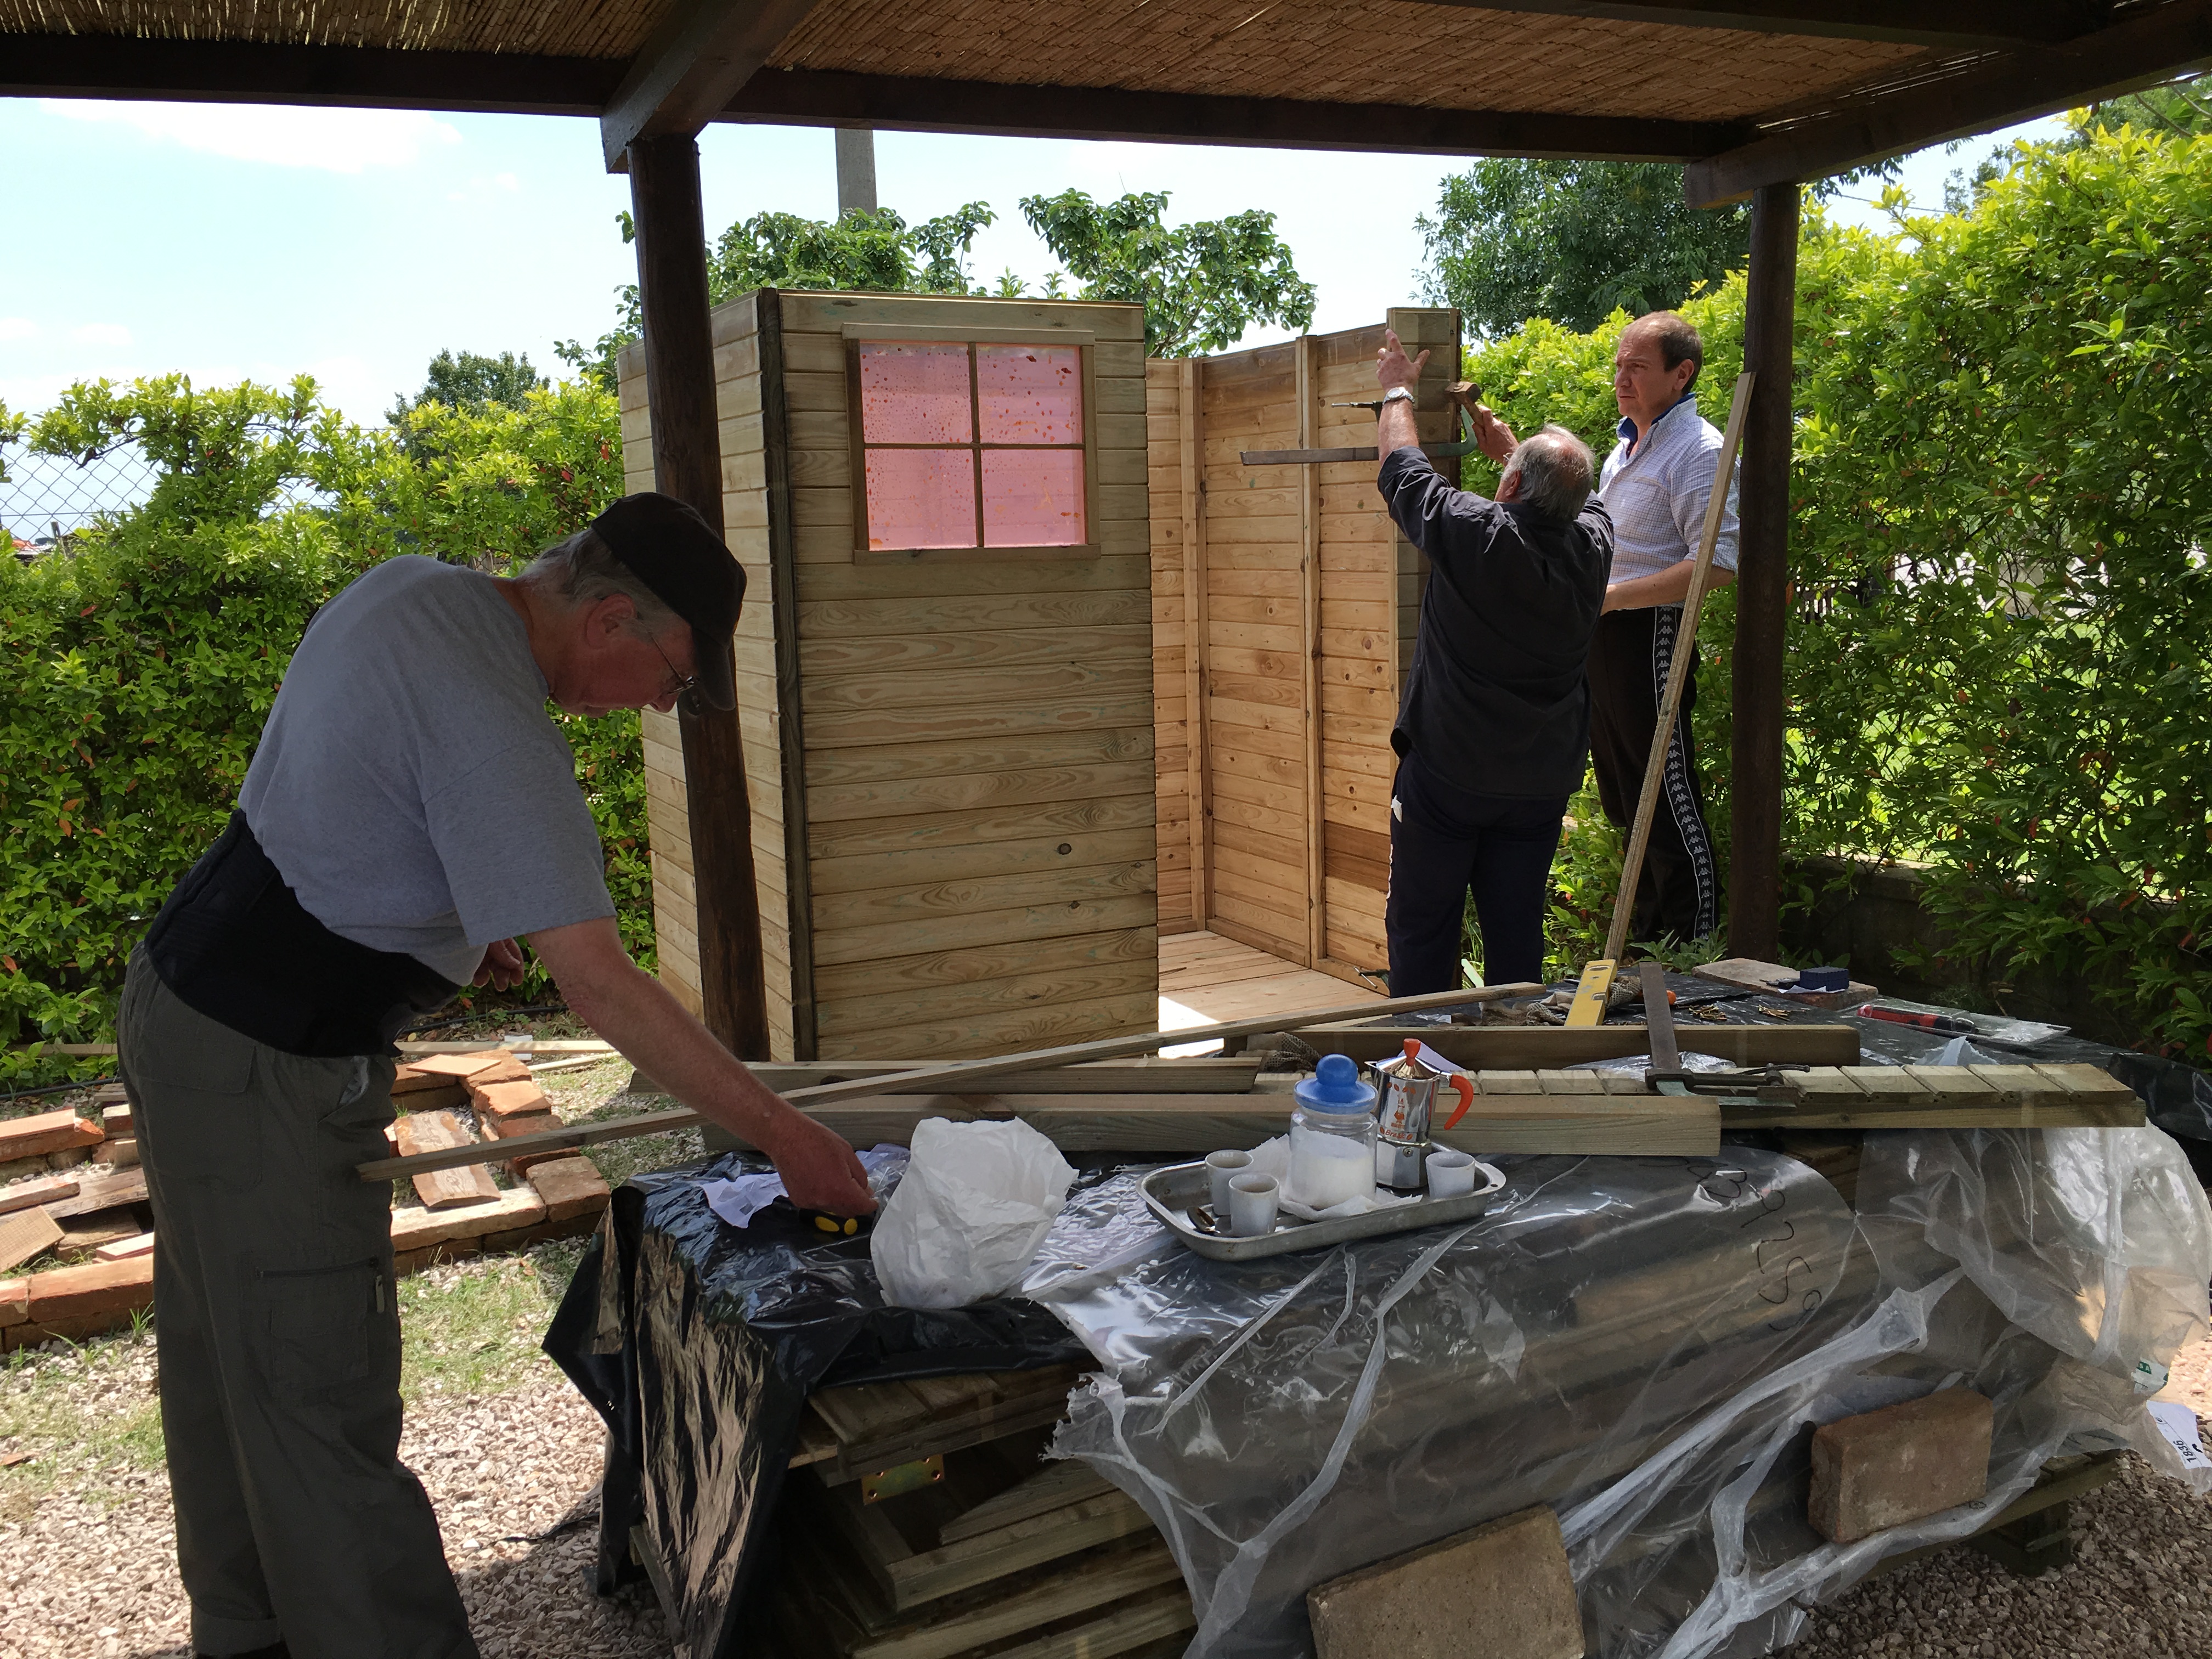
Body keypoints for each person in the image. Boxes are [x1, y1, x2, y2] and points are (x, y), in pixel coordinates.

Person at [115, 492, 874, 1659]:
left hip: (185, 1008)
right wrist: (786, 1134)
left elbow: (353, 780)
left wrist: (454, 916)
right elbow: (602, 986)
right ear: (611, 619)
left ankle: (247, 1629)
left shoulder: (415, 590)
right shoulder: (498, 724)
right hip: (269, 1061)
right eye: (674, 678)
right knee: (319, 1402)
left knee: (230, 1362)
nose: (661, 705)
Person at [1372, 329, 1615, 995]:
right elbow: (1580, 497)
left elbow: (1402, 469)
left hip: (1449, 776)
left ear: (1508, 485)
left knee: (1423, 927)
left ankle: (1421, 1047)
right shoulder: (1595, 545)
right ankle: (1519, 1046)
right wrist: (1511, 450)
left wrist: (1397, 390)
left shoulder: (1475, 533)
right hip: (1539, 783)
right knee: (1516, 931)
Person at [1589, 310, 1739, 946]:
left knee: (1664, 793)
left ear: (1682, 374)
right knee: (1627, 797)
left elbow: (1717, 564)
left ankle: (1694, 943)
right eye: (1619, 366)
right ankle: (1649, 944)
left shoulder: (1699, 450)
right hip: (1604, 634)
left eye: (1638, 368)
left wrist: (1613, 598)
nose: (1622, 380)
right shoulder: (1623, 449)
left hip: (1650, 634)